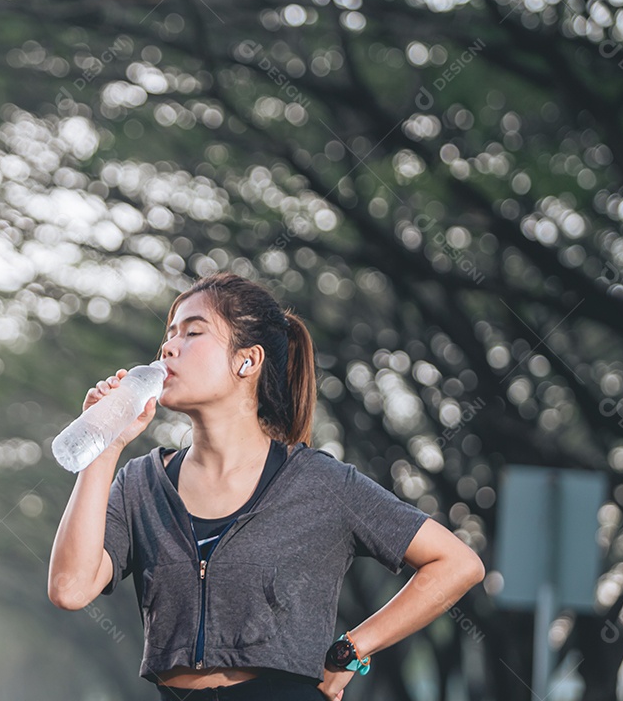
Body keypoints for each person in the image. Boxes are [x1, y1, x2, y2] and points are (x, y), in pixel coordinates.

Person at [49, 272, 485, 700]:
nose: (169, 346)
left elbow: (457, 563)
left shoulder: (320, 482)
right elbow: (70, 588)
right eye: (169, 334)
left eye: (192, 332)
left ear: (248, 360)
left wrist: (351, 650)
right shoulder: (141, 482)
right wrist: (104, 443)